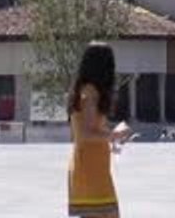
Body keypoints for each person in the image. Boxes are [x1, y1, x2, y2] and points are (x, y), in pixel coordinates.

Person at [68, 42, 131, 218]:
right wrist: (114, 135)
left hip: (93, 168)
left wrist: (111, 135)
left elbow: (91, 128)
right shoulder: (89, 93)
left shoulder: (86, 91)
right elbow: (84, 134)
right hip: (91, 171)